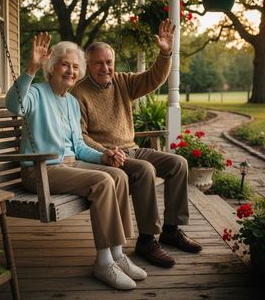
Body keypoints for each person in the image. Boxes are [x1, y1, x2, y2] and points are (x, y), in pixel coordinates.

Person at [6, 32, 147, 290]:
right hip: (41, 170)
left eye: (75, 67)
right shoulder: (37, 93)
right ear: (51, 67)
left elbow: (80, 147)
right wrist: (30, 69)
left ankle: (118, 254)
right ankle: (104, 262)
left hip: (70, 165)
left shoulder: (71, 102)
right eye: (64, 65)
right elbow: (15, 105)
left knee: (119, 175)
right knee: (103, 181)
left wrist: (104, 155)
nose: (70, 71)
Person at [71, 19, 202, 269]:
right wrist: (106, 152)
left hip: (133, 147)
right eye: (99, 62)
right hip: (110, 155)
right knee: (144, 170)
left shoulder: (122, 81)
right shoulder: (79, 93)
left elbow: (154, 78)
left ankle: (171, 230)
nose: (105, 67)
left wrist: (164, 53)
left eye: (109, 62)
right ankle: (147, 239)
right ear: (88, 64)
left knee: (178, 163)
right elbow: (81, 135)